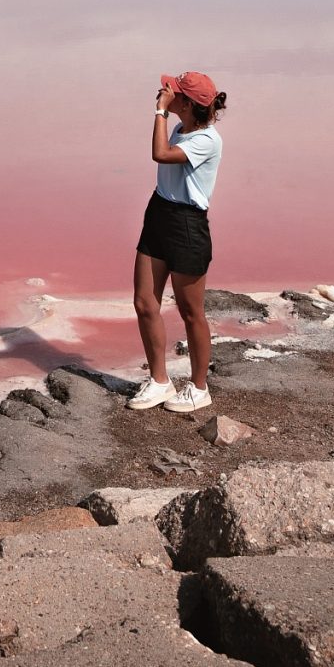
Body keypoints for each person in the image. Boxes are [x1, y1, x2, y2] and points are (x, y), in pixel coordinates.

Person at [129, 70, 226, 413]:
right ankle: (159, 381)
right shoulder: (181, 129)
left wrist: (160, 110)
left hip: (187, 226)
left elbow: (160, 154)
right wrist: (167, 115)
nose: (166, 90)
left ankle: (199, 388)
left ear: (187, 102)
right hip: (159, 214)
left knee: (190, 312)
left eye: (174, 91)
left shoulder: (207, 140)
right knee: (144, 302)